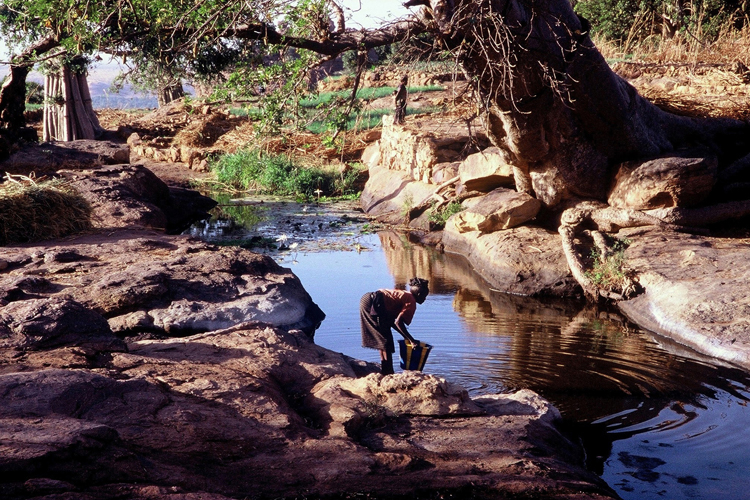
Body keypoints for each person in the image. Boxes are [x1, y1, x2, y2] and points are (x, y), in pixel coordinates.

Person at [360, 277, 429, 375]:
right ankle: (388, 372)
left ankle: (385, 370)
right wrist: (412, 340)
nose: (425, 299)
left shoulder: (406, 295)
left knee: (383, 337)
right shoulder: (411, 301)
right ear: (419, 294)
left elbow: (392, 322)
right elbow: (398, 322)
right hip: (374, 302)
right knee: (385, 340)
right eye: (425, 296)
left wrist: (408, 338)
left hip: (369, 299)